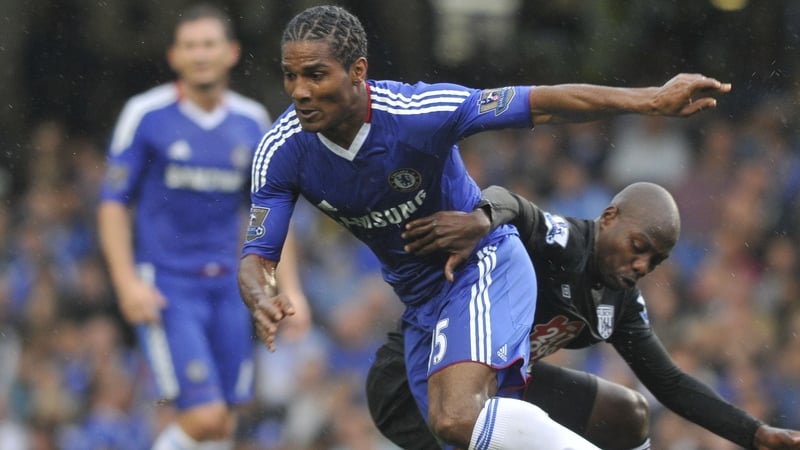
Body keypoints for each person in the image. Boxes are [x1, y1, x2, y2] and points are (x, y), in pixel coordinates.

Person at [237, 5, 730, 449]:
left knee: (457, 418)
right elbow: (257, 256)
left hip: (483, 263)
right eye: (290, 76)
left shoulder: (418, 115)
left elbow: (542, 102)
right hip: (424, 303)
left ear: (358, 72)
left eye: (316, 75)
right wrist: (261, 295)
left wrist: (648, 101)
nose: (300, 91)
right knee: (446, 429)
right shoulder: (281, 152)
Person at [366, 182, 800, 450]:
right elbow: (511, 202)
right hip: (419, 380)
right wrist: (483, 218)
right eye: (638, 246)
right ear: (609, 218)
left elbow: (670, 383)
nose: (642, 266)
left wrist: (754, 433)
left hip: (501, 389)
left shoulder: (620, 302)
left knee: (629, 413)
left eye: (655, 261)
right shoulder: (562, 242)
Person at [96, 4, 310, 449]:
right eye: (190, 46)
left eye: (209, 44)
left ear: (230, 52)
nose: (200, 55)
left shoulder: (251, 121)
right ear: (174, 56)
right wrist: (126, 284)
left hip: (231, 290)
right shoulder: (146, 115)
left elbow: (269, 211)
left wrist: (289, 287)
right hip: (168, 285)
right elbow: (113, 205)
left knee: (226, 425)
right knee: (205, 415)